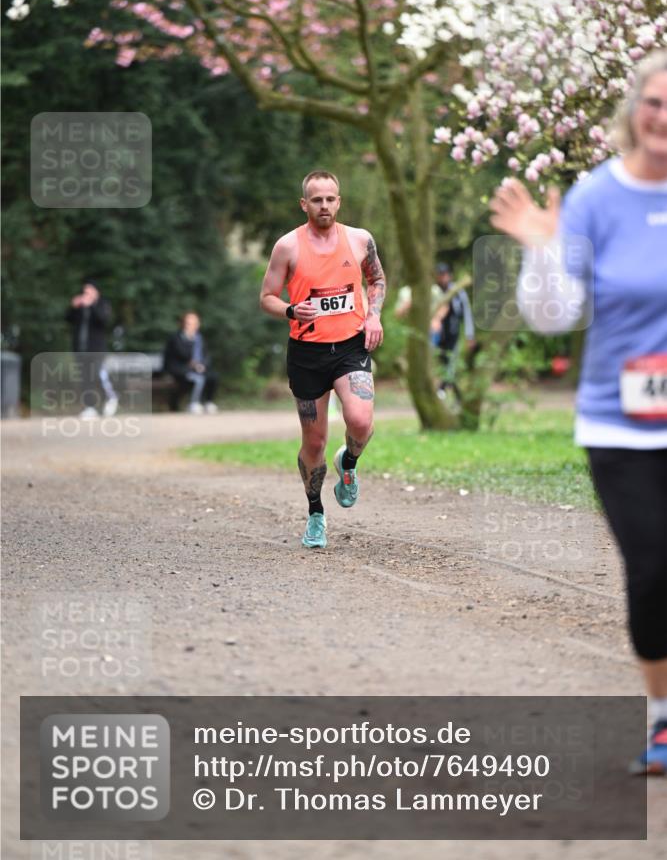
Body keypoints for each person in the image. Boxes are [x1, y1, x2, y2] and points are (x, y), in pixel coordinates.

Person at [490, 49, 667, 776]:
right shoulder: (595, 197)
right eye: (654, 102)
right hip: (617, 423)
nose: (663, 119)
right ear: (633, 110)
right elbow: (554, 316)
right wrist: (540, 249)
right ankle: (661, 721)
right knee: (653, 566)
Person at [260, 169, 385, 549]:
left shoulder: (360, 240)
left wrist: (374, 314)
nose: (325, 205)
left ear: (339, 201)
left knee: (361, 421)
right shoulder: (287, 247)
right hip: (307, 353)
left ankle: (348, 463)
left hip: (350, 346)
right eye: (317, 199)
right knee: (313, 444)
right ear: (305, 204)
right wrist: (291, 311)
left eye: (331, 198)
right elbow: (267, 296)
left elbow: (376, 280)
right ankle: (316, 513)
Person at [395, 263, 475, 397]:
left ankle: (443, 391)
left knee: (450, 363)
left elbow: (464, 313)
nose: (442, 277)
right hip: (431, 334)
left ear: (450, 275)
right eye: (440, 275)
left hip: (451, 334)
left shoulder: (455, 291)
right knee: (437, 364)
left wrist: (469, 335)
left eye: (444, 274)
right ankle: (448, 393)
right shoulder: (430, 289)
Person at [65, 279, 118, 419]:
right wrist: (74, 306)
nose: (86, 294)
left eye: (89, 291)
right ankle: (90, 407)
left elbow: (104, 321)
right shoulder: (80, 307)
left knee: (98, 375)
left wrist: (92, 305)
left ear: (96, 292)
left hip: (97, 349)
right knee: (84, 378)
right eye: (84, 291)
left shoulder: (102, 304)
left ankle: (111, 398)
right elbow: (68, 319)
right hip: (80, 348)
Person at [163, 312, 219, 414]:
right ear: (183, 324)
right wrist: (195, 364)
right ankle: (193, 403)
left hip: (197, 368)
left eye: (194, 323)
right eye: (188, 323)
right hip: (179, 369)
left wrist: (203, 365)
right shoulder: (176, 338)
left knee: (213, 376)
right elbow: (182, 354)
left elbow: (206, 355)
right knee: (198, 379)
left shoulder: (200, 338)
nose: (191, 326)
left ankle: (208, 402)